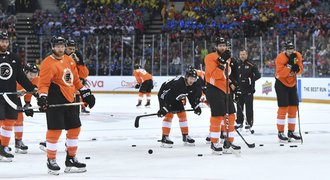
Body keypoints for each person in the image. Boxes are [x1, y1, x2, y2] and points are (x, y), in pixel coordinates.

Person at [37, 36, 95, 175]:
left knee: (75, 129)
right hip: (55, 99)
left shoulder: (69, 60)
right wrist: (43, 97)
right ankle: (51, 160)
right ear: (52, 47)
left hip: (71, 99)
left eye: (62, 46)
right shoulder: (47, 63)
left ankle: (71, 159)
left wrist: (85, 93)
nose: (60, 49)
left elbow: (76, 80)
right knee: (55, 131)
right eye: (57, 46)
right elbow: (43, 84)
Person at [0, 31, 37, 161]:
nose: (4, 44)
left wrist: (32, 89)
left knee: (10, 121)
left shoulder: (14, 57)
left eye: (6, 41)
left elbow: (21, 77)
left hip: (11, 96)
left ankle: (3, 148)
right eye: (2, 41)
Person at [204, 37, 241, 155]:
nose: (222, 47)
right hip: (214, 89)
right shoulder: (210, 57)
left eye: (224, 45)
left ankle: (229, 142)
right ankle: (214, 143)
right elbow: (215, 75)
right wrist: (221, 62)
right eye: (220, 45)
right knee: (217, 116)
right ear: (216, 47)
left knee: (231, 116)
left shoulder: (228, 59)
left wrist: (232, 85)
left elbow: (226, 76)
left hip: (226, 90)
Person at [157, 67, 202, 148]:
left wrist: (195, 106)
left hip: (175, 96)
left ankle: (185, 136)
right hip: (165, 96)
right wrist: (164, 108)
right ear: (186, 77)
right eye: (191, 78)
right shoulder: (179, 84)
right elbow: (170, 97)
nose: (192, 81)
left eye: (194, 79)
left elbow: (191, 96)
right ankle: (164, 137)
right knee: (169, 115)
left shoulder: (191, 84)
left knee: (182, 114)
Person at [274, 41, 303, 142]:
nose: (290, 51)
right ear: (285, 50)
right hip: (281, 84)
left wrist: (297, 68)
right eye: (288, 49)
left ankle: (291, 131)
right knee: (283, 108)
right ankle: (280, 132)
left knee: (293, 108)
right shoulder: (280, 58)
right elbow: (282, 74)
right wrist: (290, 65)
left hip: (292, 84)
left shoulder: (297, 55)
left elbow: (301, 70)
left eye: (292, 49)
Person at [14, 63, 39, 154]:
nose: (33, 77)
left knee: (19, 118)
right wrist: (16, 93)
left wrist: (27, 104)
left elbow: (29, 91)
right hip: (6, 97)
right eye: (31, 74)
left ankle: (18, 141)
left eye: (35, 74)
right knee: (5, 120)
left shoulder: (35, 79)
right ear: (25, 72)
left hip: (15, 98)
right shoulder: (17, 78)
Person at [234, 49, 261, 131]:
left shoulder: (251, 65)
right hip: (239, 90)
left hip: (248, 90)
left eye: (244, 54)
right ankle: (239, 122)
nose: (242, 56)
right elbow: (233, 76)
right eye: (241, 54)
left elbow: (258, 75)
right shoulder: (236, 64)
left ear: (247, 55)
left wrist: (249, 79)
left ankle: (249, 122)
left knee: (249, 107)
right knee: (239, 107)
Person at [65, 39, 90, 114]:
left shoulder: (78, 55)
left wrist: (79, 63)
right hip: (65, 81)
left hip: (75, 80)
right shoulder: (61, 55)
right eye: (70, 49)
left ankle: (83, 107)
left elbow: (84, 73)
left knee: (80, 92)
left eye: (73, 49)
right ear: (65, 48)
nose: (72, 51)